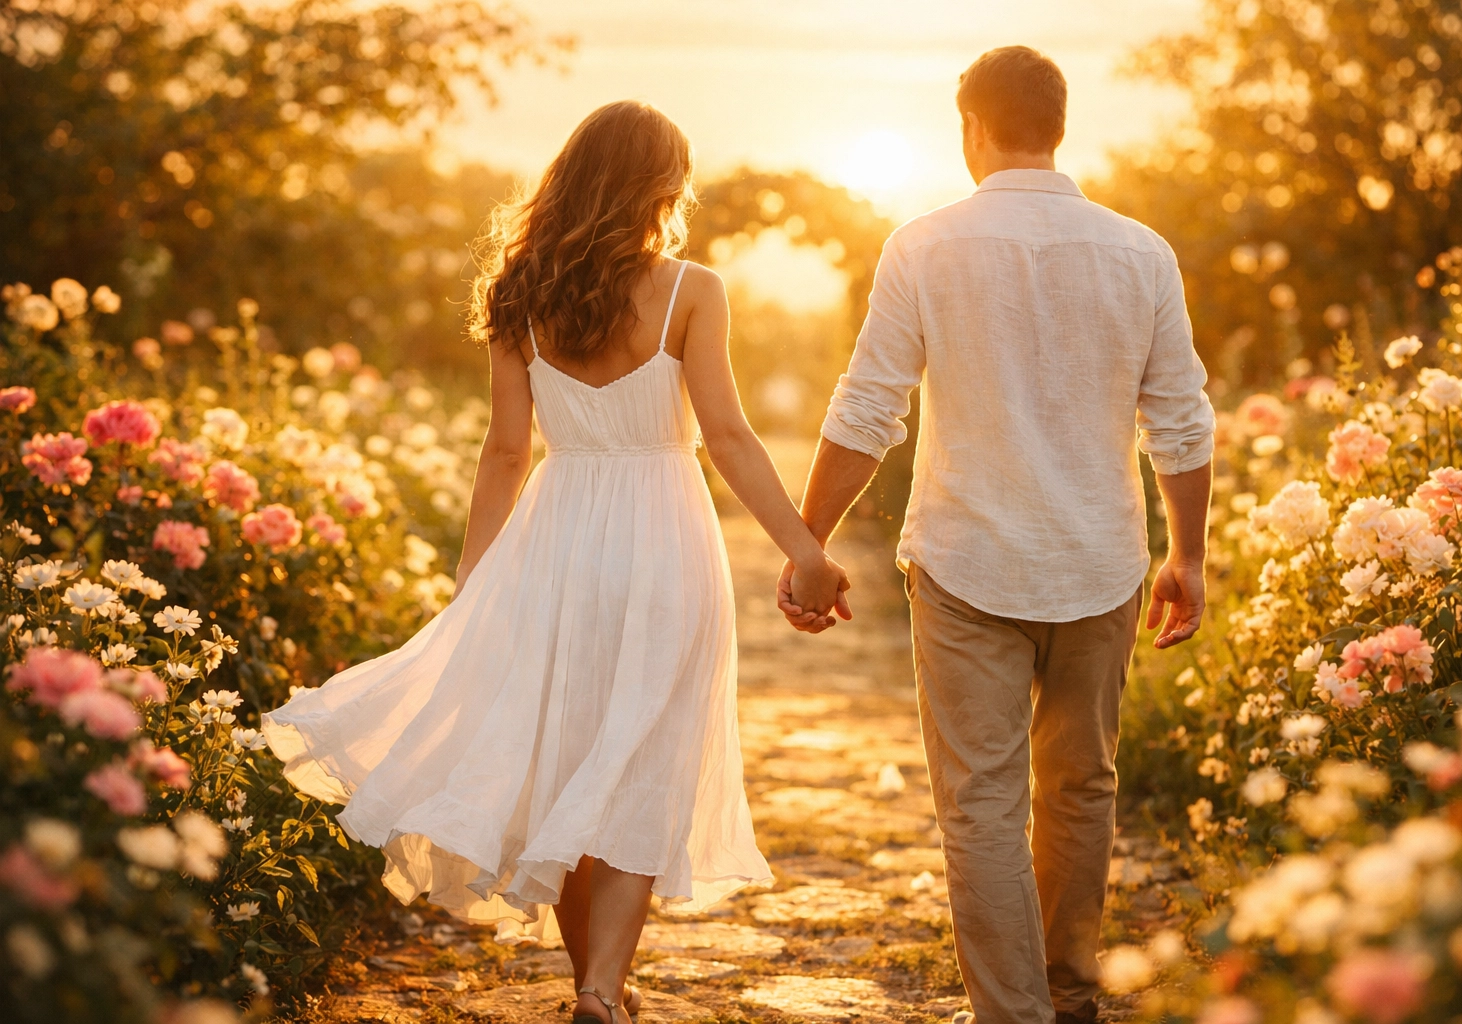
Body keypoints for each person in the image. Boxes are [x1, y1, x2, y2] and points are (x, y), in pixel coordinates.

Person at [262, 100, 850, 1024]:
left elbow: (505, 452)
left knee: (573, 759)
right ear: (663, 187)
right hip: (664, 537)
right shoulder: (693, 289)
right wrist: (805, 549)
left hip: (557, 535)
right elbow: (729, 438)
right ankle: (602, 988)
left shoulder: (520, 291)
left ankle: (595, 988)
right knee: (638, 759)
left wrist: (475, 585)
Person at [778, 46, 1216, 1024]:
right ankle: (1069, 983)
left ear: (971, 128)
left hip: (967, 562)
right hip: (1098, 561)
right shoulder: (1140, 251)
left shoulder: (923, 246)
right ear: (1058, 127)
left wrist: (808, 539)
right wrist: (1188, 554)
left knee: (980, 801)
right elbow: (1181, 421)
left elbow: (867, 411)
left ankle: (1014, 1011)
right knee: (1082, 784)